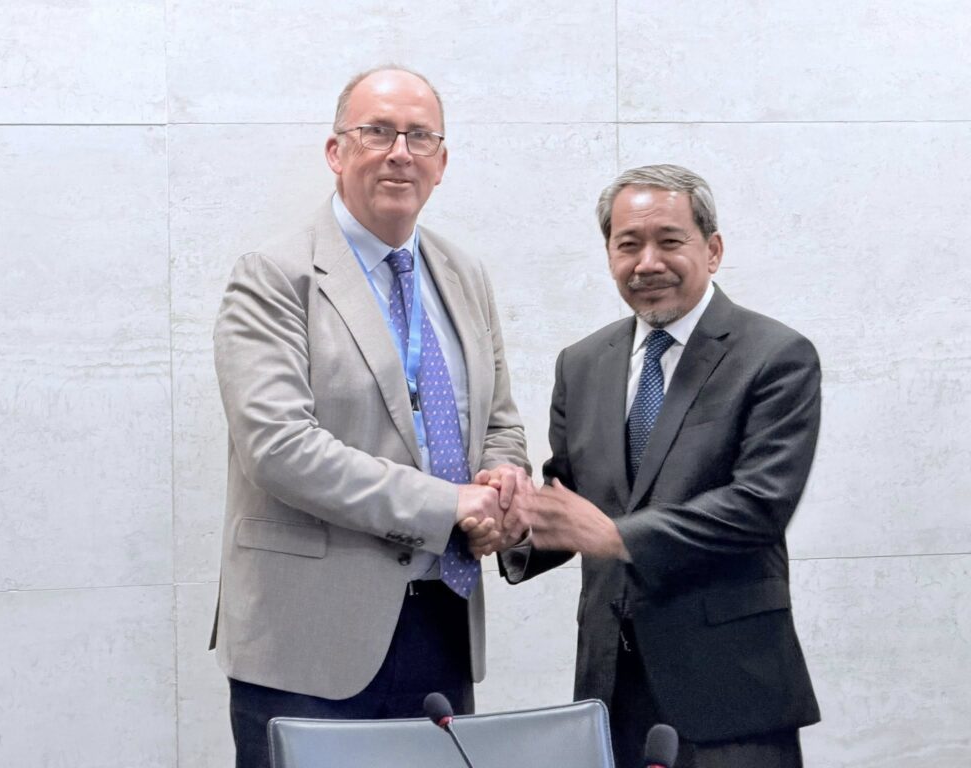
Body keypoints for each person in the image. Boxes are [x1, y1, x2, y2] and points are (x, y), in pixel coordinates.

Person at [211, 65, 529, 768]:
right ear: (336, 151)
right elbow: (279, 449)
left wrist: (502, 482)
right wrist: (450, 505)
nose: (400, 153)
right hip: (309, 644)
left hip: (443, 626)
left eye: (420, 136)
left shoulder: (464, 273)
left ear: (442, 161)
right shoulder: (273, 275)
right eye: (377, 132)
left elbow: (499, 419)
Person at [497, 165, 821, 768]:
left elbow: (758, 505)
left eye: (669, 241)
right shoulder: (581, 363)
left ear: (713, 249)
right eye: (628, 245)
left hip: (731, 694)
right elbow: (570, 501)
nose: (647, 263)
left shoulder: (776, 355)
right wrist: (515, 524)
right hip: (610, 692)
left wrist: (618, 536)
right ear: (609, 255)